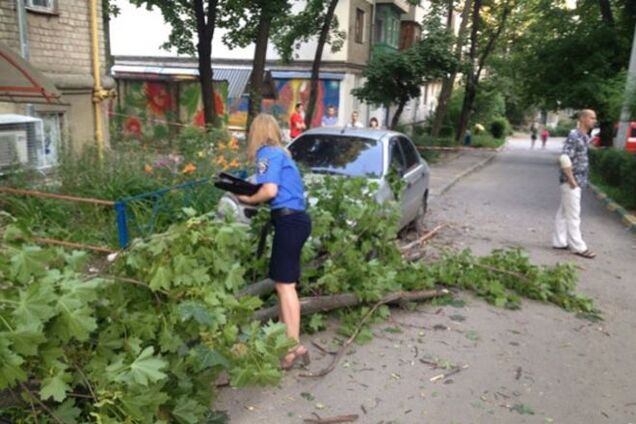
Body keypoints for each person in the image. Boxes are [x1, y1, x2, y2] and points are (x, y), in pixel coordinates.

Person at [237, 114, 313, 368]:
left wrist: (247, 199)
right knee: (284, 282)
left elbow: (270, 191)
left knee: (285, 285)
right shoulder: (280, 154)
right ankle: (286, 345)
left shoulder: (267, 153)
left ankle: (293, 346)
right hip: (295, 220)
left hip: (288, 221)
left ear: (256, 133)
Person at [552, 109, 597, 259]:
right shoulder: (574, 135)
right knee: (574, 215)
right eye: (591, 118)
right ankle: (579, 247)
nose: (594, 120)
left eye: (594, 118)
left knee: (564, 212)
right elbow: (564, 158)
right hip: (572, 181)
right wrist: (571, 180)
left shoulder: (584, 137)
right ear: (583, 118)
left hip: (577, 180)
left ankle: (559, 241)